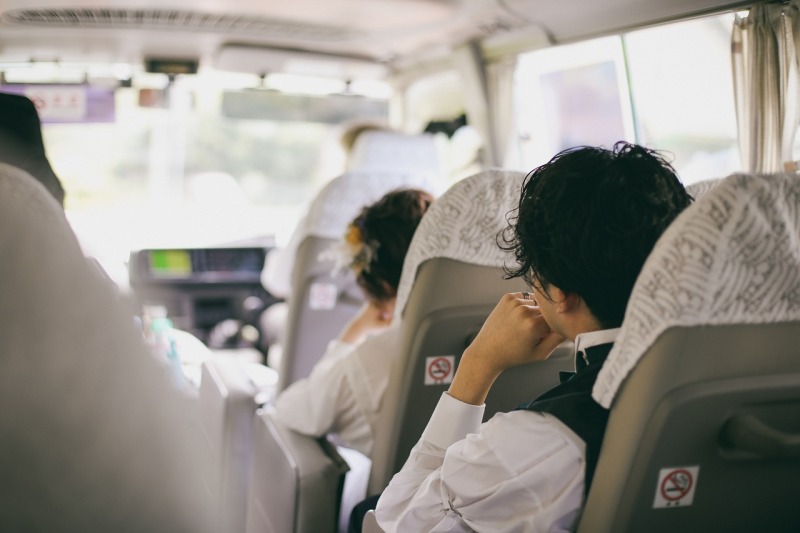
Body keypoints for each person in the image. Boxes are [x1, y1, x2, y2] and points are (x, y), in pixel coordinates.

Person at [373, 142, 693, 531]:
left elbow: (397, 519)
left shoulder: (534, 443)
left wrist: (477, 364)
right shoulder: (711, 370)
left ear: (558, 294)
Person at [273, 187, 434, 457]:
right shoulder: (509, 330)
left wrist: (351, 335)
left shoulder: (367, 362)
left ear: (382, 285)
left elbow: (294, 410)